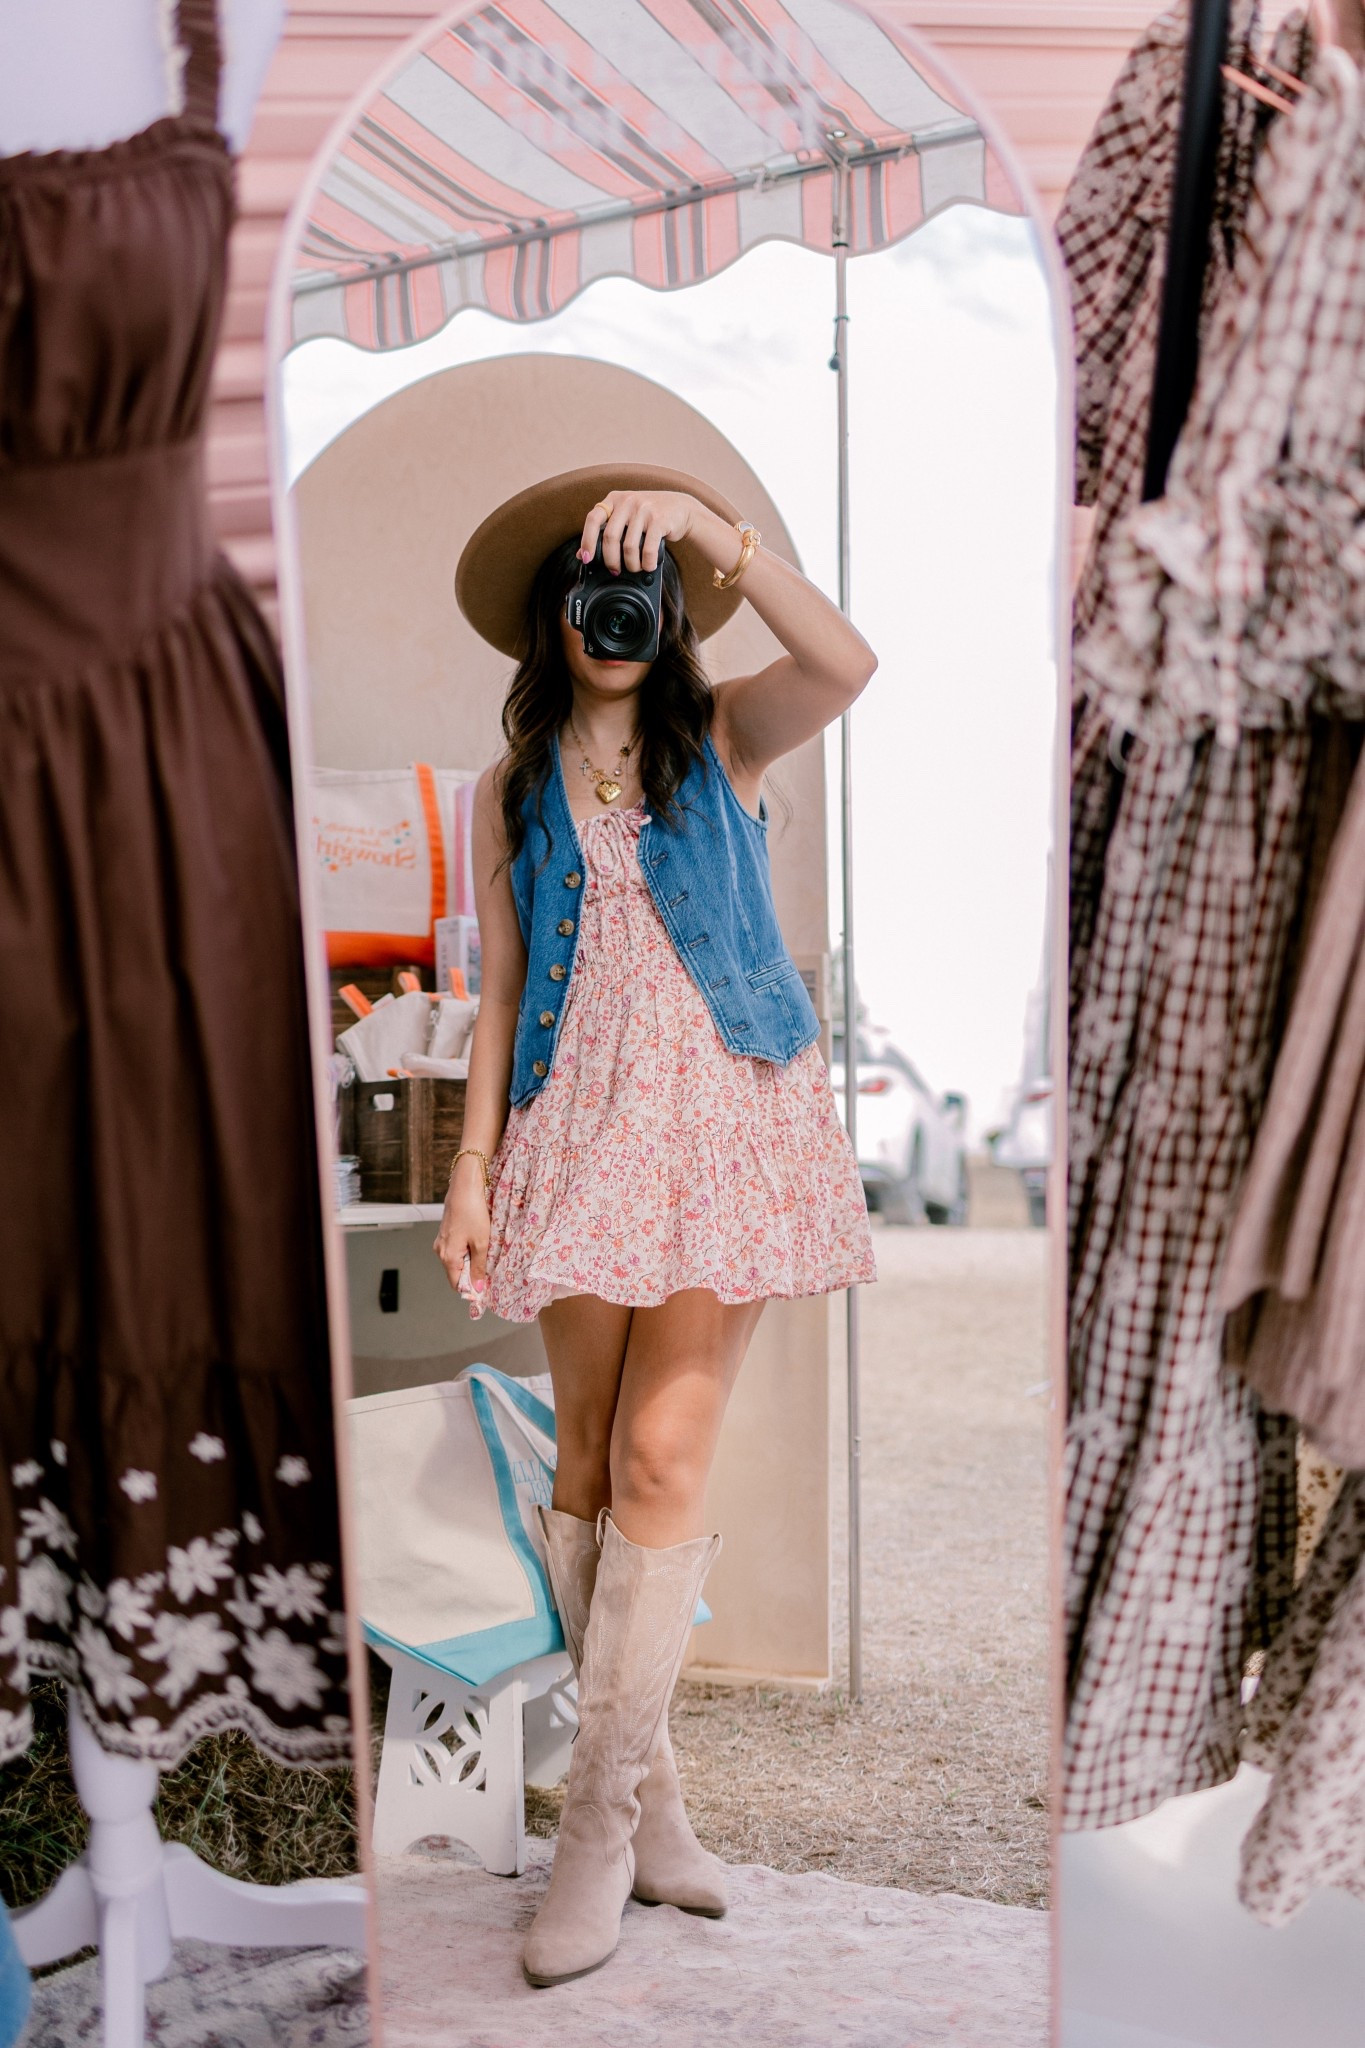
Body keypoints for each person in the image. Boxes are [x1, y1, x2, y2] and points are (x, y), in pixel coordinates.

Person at [436, 463, 876, 1987]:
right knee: (580, 1463)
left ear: (671, 610)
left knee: (656, 1464)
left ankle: (594, 1830)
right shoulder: (509, 788)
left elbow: (845, 663)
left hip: (723, 1130)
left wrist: (699, 527)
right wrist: (471, 1166)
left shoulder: (729, 738)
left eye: (635, 587)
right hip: (578, 1134)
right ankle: (657, 1802)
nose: (610, 612)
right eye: (585, 588)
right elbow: (498, 995)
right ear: (549, 621)